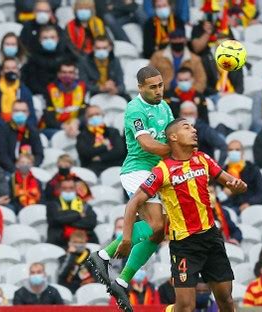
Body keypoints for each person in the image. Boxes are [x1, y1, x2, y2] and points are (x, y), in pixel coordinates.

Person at [115, 117, 247, 312]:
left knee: (226, 300)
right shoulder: (162, 170)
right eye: (187, 127)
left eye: (193, 127)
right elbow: (134, 201)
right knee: (185, 307)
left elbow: (230, 182)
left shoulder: (203, 158)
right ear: (173, 137)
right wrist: (126, 238)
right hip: (185, 245)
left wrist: (238, 186)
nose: (194, 130)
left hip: (211, 238)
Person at [85, 66, 174, 312]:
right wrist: (178, 151)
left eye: (160, 85)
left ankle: (121, 278)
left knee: (158, 233)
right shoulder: (134, 108)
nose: (158, 90)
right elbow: (146, 143)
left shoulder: (165, 107)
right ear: (140, 87)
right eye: (152, 87)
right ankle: (103, 254)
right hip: (137, 170)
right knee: (156, 225)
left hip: (157, 172)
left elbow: (171, 136)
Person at [189, 11, 243, 97]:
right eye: (219, 38)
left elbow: (240, 88)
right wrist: (218, 94)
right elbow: (205, 85)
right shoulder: (206, 60)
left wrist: (230, 95)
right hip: (213, 96)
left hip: (232, 96)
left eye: (225, 39)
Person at [151, 28, 207, 93]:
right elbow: (148, 77)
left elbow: (201, 81)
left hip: (188, 95)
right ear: (170, 40)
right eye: (174, 38)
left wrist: (191, 94)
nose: (177, 41)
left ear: (185, 40)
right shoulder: (157, 56)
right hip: (163, 94)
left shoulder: (195, 59)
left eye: (180, 38)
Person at [47, 178, 98, 249]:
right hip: (60, 243)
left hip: (84, 242)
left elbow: (91, 222)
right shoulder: (52, 204)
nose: (68, 191)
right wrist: (79, 215)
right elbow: (57, 219)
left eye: (71, 188)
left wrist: (66, 220)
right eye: (65, 188)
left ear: (75, 189)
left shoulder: (84, 205)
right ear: (60, 190)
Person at [0, 58, 37, 130]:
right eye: (7, 68)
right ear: (2, 72)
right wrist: (9, 127)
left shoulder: (25, 90)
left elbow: (32, 116)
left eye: (14, 68)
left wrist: (23, 126)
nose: (11, 71)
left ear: (18, 72)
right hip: (0, 127)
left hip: (22, 126)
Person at [22, 25, 73, 95]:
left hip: (63, 93)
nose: (49, 40)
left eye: (52, 37)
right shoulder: (33, 59)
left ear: (58, 39)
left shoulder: (66, 57)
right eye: (45, 38)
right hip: (39, 95)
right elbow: (31, 82)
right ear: (40, 40)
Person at [0, 100, 44, 173]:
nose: (20, 113)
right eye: (16, 111)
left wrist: (31, 167)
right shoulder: (3, 130)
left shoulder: (33, 131)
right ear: (11, 113)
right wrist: (14, 170)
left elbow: (39, 154)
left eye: (23, 111)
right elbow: (1, 154)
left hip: (29, 169)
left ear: (28, 113)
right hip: (8, 170)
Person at [76, 105, 126, 176]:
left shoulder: (113, 131)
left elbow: (119, 150)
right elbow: (86, 153)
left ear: (102, 115)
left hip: (115, 166)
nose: (94, 117)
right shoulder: (82, 136)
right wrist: (105, 147)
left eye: (97, 114)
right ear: (86, 119)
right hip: (94, 169)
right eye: (91, 115)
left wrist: (100, 157)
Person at [219, 140, 262, 214]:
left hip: (251, 206)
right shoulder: (223, 171)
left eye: (237, 150)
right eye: (231, 150)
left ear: (243, 152)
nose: (234, 152)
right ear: (227, 152)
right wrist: (224, 194)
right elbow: (217, 197)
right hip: (231, 208)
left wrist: (249, 203)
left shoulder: (252, 169)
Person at [43, 60, 86, 138]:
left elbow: (85, 112)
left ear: (75, 74)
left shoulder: (82, 87)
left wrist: (76, 123)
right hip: (57, 128)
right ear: (58, 74)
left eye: (70, 72)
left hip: (76, 126)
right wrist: (64, 126)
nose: (67, 75)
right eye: (64, 72)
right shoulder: (50, 89)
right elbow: (48, 118)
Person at [179, 101, 227, 166]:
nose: (188, 117)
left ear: (196, 114)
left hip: (204, 167)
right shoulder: (176, 130)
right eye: (185, 114)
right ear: (180, 115)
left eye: (191, 114)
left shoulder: (205, 129)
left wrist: (219, 167)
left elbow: (223, 145)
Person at [58, 229, 96, 293]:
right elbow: (61, 276)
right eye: (75, 242)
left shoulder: (91, 260)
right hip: (67, 290)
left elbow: (96, 279)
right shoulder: (62, 258)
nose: (78, 245)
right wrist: (71, 256)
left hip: (86, 291)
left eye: (81, 242)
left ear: (85, 243)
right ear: (69, 243)